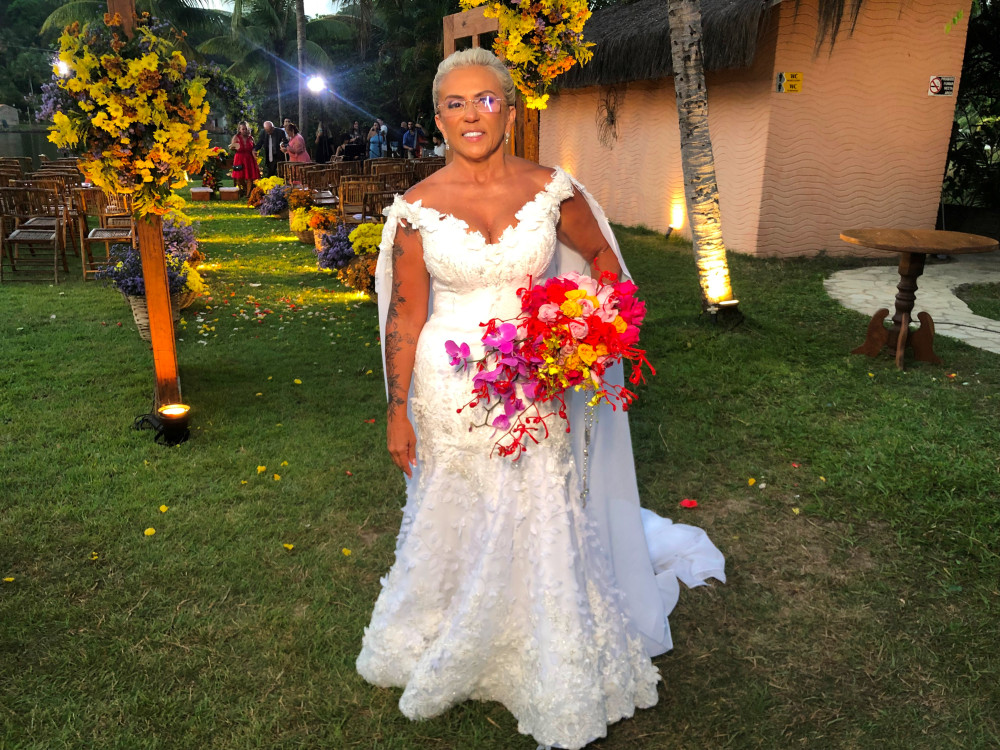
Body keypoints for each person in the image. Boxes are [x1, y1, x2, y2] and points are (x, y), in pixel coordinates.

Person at [357, 47, 725, 750]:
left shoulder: (554, 191)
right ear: (438, 118)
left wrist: (586, 326)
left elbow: (608, 266)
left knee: (539, 507)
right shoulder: (415, 209)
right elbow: (404, 314)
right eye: (456, 103)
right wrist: (397, 411)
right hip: (446, 387)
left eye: (485, 99)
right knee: (451, 507)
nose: (471, 114)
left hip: (534, 380)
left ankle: (547, 647)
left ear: (509, 109)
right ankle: (444, 627)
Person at [228, 120, 261, 197]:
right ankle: (245, 189)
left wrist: (255, 152)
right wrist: (233, 147)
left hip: (249, 159)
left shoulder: (251, 138)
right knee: (239, 177)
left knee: (250, 177)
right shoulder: (236, 137)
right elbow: (232, 147)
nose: (245, 130)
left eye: (246, 129)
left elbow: (254, 148)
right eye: (243, 129)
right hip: (239, 158)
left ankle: (248, 194)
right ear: (239, 129)